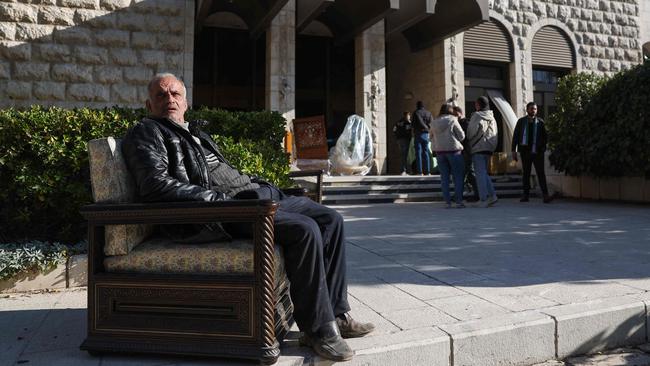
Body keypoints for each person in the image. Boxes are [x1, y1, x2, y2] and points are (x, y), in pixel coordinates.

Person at [121, 73, 374, 362]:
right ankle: (318, 329)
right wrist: (221, 201)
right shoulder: (147, 132)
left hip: (254, 195)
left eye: (175, 94)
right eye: (161, 95)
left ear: (186, 102)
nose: (170, 100)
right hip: (222, 211)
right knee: (305, 230)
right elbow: (155, 186)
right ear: (148, 104)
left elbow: (221, 172)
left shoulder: (194, 132)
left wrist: (258, 184)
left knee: (332, 220)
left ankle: (338, 313)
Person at [512, 102, 552, 203]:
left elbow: (545, 137)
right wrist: (514, 150)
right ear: (527, 110)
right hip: (525, 152)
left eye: (535, 109)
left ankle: (545, 195)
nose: (533, 110)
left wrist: (542, 148)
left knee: (541, 173)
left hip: (537, 153)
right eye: (531, 109)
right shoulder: (521, 122)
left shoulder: (540, 122)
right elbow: (515, 136)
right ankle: (526, 195)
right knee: (526, 174)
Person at [430, 103, 466, 208]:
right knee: (458, 176)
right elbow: (462, 136)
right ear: (450, 111)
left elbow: (430, 136)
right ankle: (459, 201)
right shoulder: (452, 120)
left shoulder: (434, 122)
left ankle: (447, 202)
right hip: (454, 151)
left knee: (444, 178)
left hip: (440, 152)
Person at [466, 96, 499, 208]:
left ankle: (483, 199)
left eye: (476, 104)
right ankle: (493, 196)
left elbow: (471, 132)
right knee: (484, 173)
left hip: (478, 147)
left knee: (480, 174)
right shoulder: (492, 117)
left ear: (479, 105)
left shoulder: (477, 115)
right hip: (489, 148)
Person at [453, 106, 479, 202]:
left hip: (466, 152)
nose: (454, 116)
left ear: (460, 113)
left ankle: (477, 194)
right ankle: (459, 194)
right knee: (465, 174)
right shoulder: (460, 123)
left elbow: (466, 138)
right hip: (462, 152)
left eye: (455, 114)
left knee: (469, 173)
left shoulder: (465, 123)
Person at [412, 100, 433, 175]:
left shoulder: (416, 113)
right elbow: (431, 123)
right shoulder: (429, 113)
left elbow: (413, 124)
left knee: (418, 153)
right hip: (426, 134)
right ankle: (427, 171)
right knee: (426, 152)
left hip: (418, 134)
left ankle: (420, 171)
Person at [392, 111, 412, 175]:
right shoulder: (408, 122)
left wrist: (397, 137)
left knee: (403, 154)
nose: (409, 117)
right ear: (407, 115)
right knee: (405, 155)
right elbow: (410, 131)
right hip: (406, 140)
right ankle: (404, 170)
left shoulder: (398, 122)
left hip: (400, 140)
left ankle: (405, 169)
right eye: (409, 115)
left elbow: (394, 130)